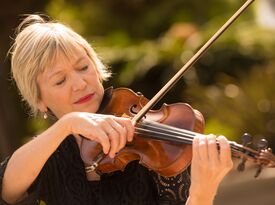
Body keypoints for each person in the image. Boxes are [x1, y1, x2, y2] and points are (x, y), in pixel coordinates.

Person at [0, 14, 233, 205]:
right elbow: (7, 191)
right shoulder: (47, 154)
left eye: (83, 67)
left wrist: (203, 194)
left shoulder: (150, 142)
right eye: (60, 80)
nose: (80, 83)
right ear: (39, 100)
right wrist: (67, 124)